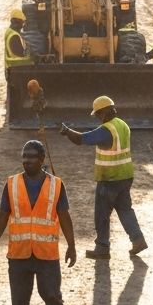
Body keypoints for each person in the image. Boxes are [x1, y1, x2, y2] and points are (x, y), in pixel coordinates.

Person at [0, 139, 76, 305]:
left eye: (32, 157)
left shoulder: (56, 185)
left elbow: (64, 216)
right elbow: (2, 215)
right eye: (24, 157)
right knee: (19, 299)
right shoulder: (12, 184)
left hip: (47, 254)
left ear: (42, 160)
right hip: (19, 254)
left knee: (51, 294)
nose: (27, 162)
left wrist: (72, 246)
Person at [59, 95, 147, 260]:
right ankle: (138, 239)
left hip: (110, 179)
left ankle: (102, 247)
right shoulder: (123, 125)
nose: (98, 118)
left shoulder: (107, 130)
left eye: (98, 114)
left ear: (104, 112)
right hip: (125, 176)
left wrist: (66, 131)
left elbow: (82, 139)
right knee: (125, 209)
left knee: (102, 214)